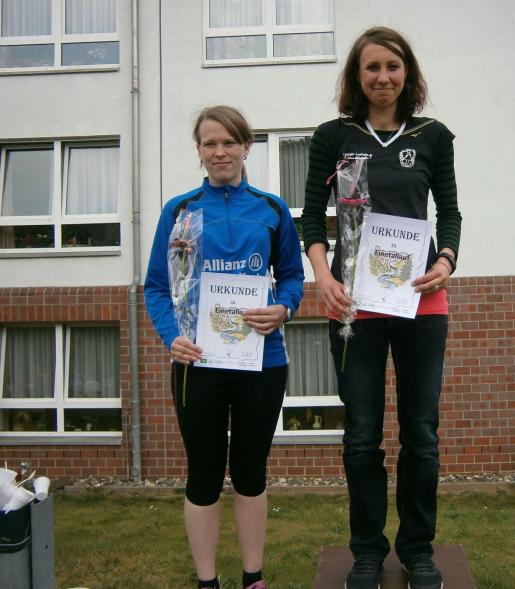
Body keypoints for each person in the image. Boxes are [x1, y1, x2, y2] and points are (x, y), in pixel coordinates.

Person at [300, 26, 461, 589]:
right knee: (362, 435)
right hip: (353, 305)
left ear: (407, 73)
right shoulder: (332, 136)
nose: (383, 77)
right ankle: (367, 551)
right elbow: (311, 215)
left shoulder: (433, 136)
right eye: (372, 67)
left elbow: (450, 213)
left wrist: (446, 261)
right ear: (357, 75)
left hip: (421, 302)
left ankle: (418, 550)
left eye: (393, 67)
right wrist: (323, 276)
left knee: (421, 434)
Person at [144, 105, 304, 589]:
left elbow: (292, 277)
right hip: (198, 364)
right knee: (204, 474)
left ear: (246, 146)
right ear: (198, 150)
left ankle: (253, 577)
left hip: (262, 360)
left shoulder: (272, 209)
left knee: (251, 471)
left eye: (229, 142)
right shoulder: (179, 211)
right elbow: (157, 287)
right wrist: (172, 337)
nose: (220, 152)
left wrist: (284, 309)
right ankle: (207, 581)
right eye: (209, 143)